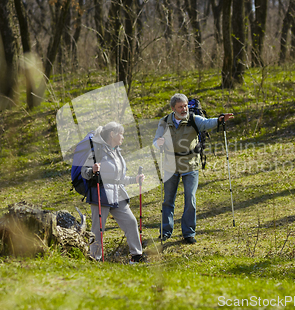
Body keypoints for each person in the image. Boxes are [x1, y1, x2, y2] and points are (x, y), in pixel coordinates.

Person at [154, 94, 233, 244]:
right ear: (173, 109)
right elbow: (155, 141)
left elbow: (208, 123)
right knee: (167, 201)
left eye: (185, 106)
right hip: (170, 165)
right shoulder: (164, 122)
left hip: (190, 164)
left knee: (190, 198)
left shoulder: (194, 119)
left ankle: (189, 233)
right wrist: (158, 143)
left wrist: (220, 120)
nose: (184, 109)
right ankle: (165, 232)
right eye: (180, 107)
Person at [82, 122, 145, 263]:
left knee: (130, 222)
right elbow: (84, 173)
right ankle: (95, 259)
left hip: (118, 194)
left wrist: (134, 180)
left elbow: (120, 179)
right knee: (98, 229)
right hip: (100, 194)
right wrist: (92, 170)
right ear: (112, 134)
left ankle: (136, 256)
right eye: (121, 133)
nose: (123, 137)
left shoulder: (117, 152)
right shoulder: (96, 151)